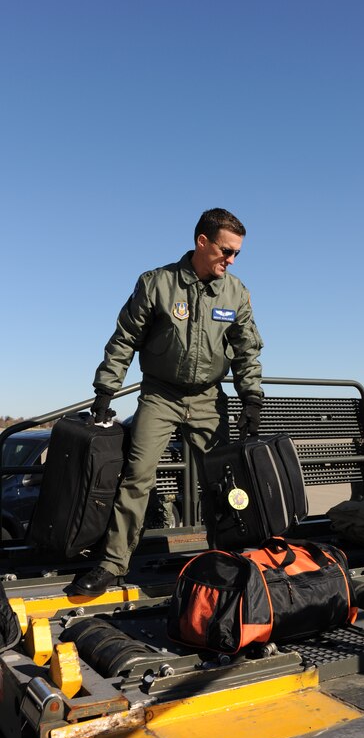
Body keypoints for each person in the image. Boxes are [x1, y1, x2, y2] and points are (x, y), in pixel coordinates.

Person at [73, 208, 264, 595]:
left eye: (237, 254)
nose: (231, 260)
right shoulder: (157, 284)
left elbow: (247, 350)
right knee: (137, 477)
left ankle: (225, 557)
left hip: (209, 399)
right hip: (160, 396)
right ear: (202, 242)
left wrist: (252, 398)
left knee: (222, 483)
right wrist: (106, 389)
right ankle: (113, 563)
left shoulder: (236, 292)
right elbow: (125, 338)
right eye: (226, 251)